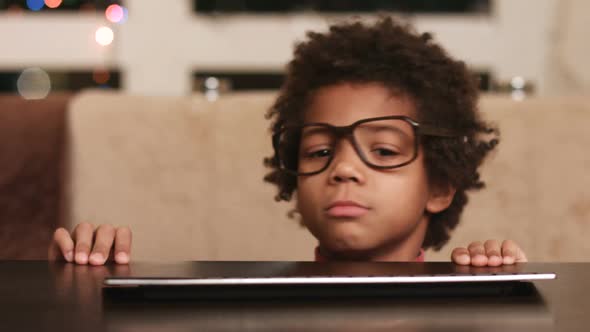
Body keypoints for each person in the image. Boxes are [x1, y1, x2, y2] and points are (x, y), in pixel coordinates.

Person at [49, 17, 527, 267]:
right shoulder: (256, 313)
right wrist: (86, 287)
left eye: (383, 150)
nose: (343, 169)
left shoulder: (474, 293)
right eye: (319, 151)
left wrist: (504, 291)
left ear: (440, 184)